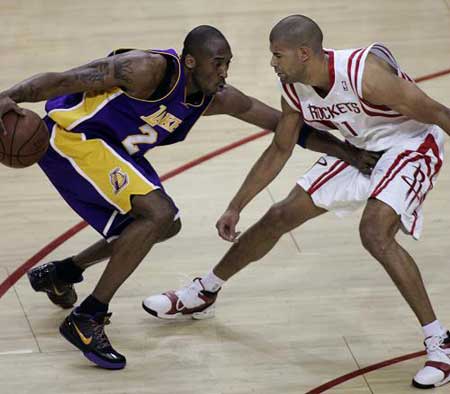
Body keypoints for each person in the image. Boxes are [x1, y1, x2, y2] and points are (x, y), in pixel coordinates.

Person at [0, 25, 377, 370]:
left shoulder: (215, 98)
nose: (224, 72)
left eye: (228, 64)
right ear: (191, 61)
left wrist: (349, 152)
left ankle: (64, 272)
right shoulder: (145, 70)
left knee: (163, 225)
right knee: (157, 214)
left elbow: (286, 127)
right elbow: (61, 79)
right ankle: (89, 316)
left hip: (115, 151)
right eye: (218, 64)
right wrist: (7, 97)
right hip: (74, 137)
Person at [143, 16, 450, 389]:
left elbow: (439, 113)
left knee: (374, 233)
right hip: (361, 149)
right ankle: (204, 290)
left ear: (304, 53)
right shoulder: (295, 88)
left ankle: (440, 342)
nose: (272, 63)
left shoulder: (365, 73)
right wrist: (236, 205)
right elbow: (280, 149)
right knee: (279, 215)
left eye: (278, 55)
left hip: (411, 144)